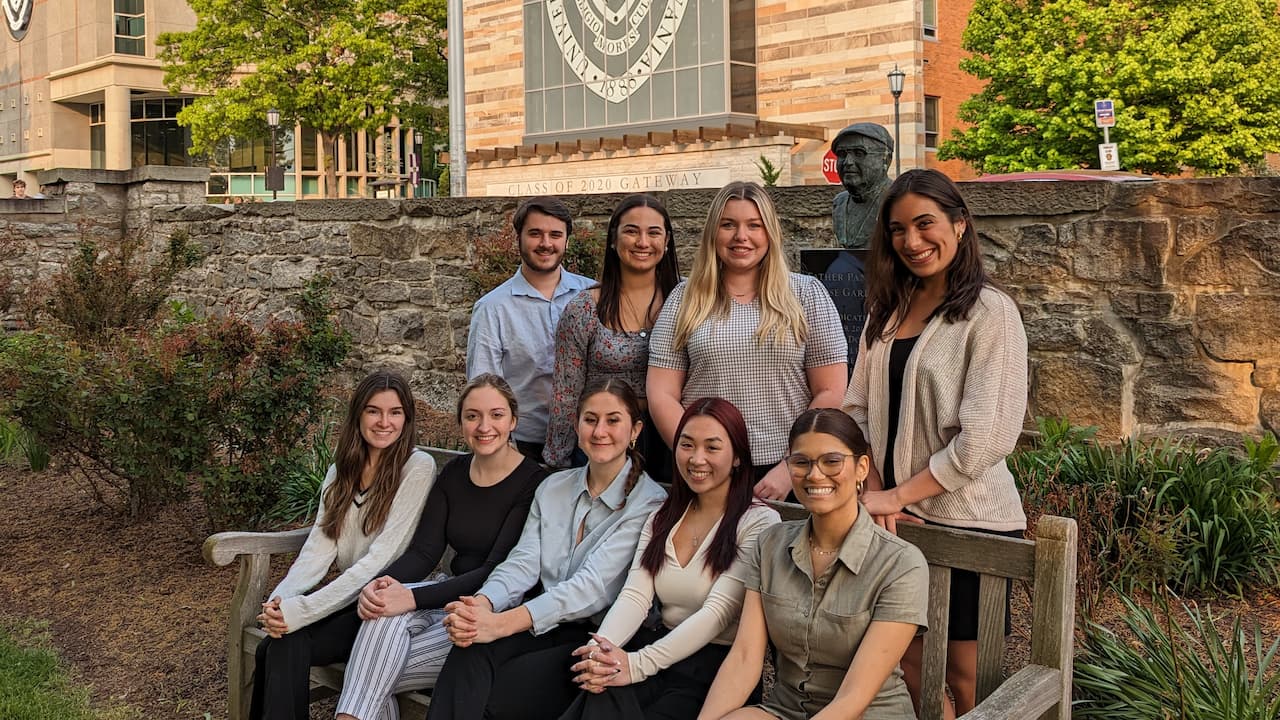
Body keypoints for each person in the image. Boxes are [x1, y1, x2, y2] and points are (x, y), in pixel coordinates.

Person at [843, 168, 1028, 718]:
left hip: (967, 520)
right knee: (912, 666)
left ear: (960, 223)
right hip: (894, 523)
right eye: (898, 230)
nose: (912, 242)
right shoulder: (887, 310)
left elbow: (986, 438)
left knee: (969, 677)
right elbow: (856, 412)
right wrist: (875, 492)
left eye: (925, 224)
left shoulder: (990, 312)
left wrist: (898, 497)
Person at [424, 378, 667, 720]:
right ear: (576, 424)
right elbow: (522, 562)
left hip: (600, 640)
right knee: (469, 651)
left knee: (500, 698)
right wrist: (483, 604)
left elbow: (593, 587)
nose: (600, 431)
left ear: (635, 429)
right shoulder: (553, 487)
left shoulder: (649, 503)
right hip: (544, 623)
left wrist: (502, 623)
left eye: (613, 420)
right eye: (590, 419)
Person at [334, 374, 546, 720]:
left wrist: (412, 597)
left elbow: (495, 570)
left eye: (496, 415)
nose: (484, 426)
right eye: (472, 415)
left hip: (488, 609)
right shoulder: (453, 473)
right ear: (461, 421)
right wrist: (382, 585)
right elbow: (424, 553)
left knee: (370, 674)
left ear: (513, 422)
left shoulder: (534, 482)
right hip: (442, 594)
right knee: (381, 619)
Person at [697, 409, 928, 720]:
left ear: (861, 468)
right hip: (785, 710)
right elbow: (743, 658)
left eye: (831, 461)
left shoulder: (900, 564)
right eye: (801, 462)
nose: (815, 475)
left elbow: (854, 696)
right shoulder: (771, 545)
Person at [559, 398, 780, 720]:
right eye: (687, 445)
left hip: (715, 669)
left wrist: (636, 665)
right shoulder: (663, 517)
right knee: (598, 690)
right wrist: (602, 651)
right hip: (657, 650)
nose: (697, 458)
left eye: (712, 447)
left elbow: (718, 613)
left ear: (737, 457)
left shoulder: (758, 522)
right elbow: (635, 595)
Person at [250, 371, 436, 720]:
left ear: (406, 418)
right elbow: (318, 548)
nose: (384, 422)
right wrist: (281, 602)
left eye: (395, 412)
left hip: (386, 610)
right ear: (358, 416)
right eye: (373, 411)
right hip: (350, 599)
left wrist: (301, 612)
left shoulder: (417, 467)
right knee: (274, 644)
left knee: (284, 644)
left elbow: (382, 559)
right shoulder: (341, 472)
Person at [647, 180, 848, 501]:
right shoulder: (684, 299)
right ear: (714, 232)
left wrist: (792, 463)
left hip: (789, 473)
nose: (741, 236)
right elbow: (661, 394)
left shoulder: (807, 295)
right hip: (705, 472)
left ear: (769, 232)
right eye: (728, 225)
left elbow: (831, 390)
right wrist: (697, 459)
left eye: (754, 225)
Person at [544, 193, 680, 482]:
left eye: (653, 232)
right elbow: (566, 394)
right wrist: (557, 467)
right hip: (603, 441)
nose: (643, 242)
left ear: (666, 242)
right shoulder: (584, 309)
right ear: (613, 240)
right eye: (631, 231)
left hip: (673, 441)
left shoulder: (688, 301)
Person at [467, 195, 593, 460]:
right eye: (535, 233)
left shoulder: (591, 295)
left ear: (566, 241)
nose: (546, 243)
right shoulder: (493, 308)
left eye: (555, 235)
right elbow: (483, 387)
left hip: (591, 443)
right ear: (519, 239)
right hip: (522, 447)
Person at [831, 123, 894, 249]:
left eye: (859, 153)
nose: (848, 162)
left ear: (885, 159)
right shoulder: (839, 202)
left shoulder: (898, 199)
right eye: (842, 154)